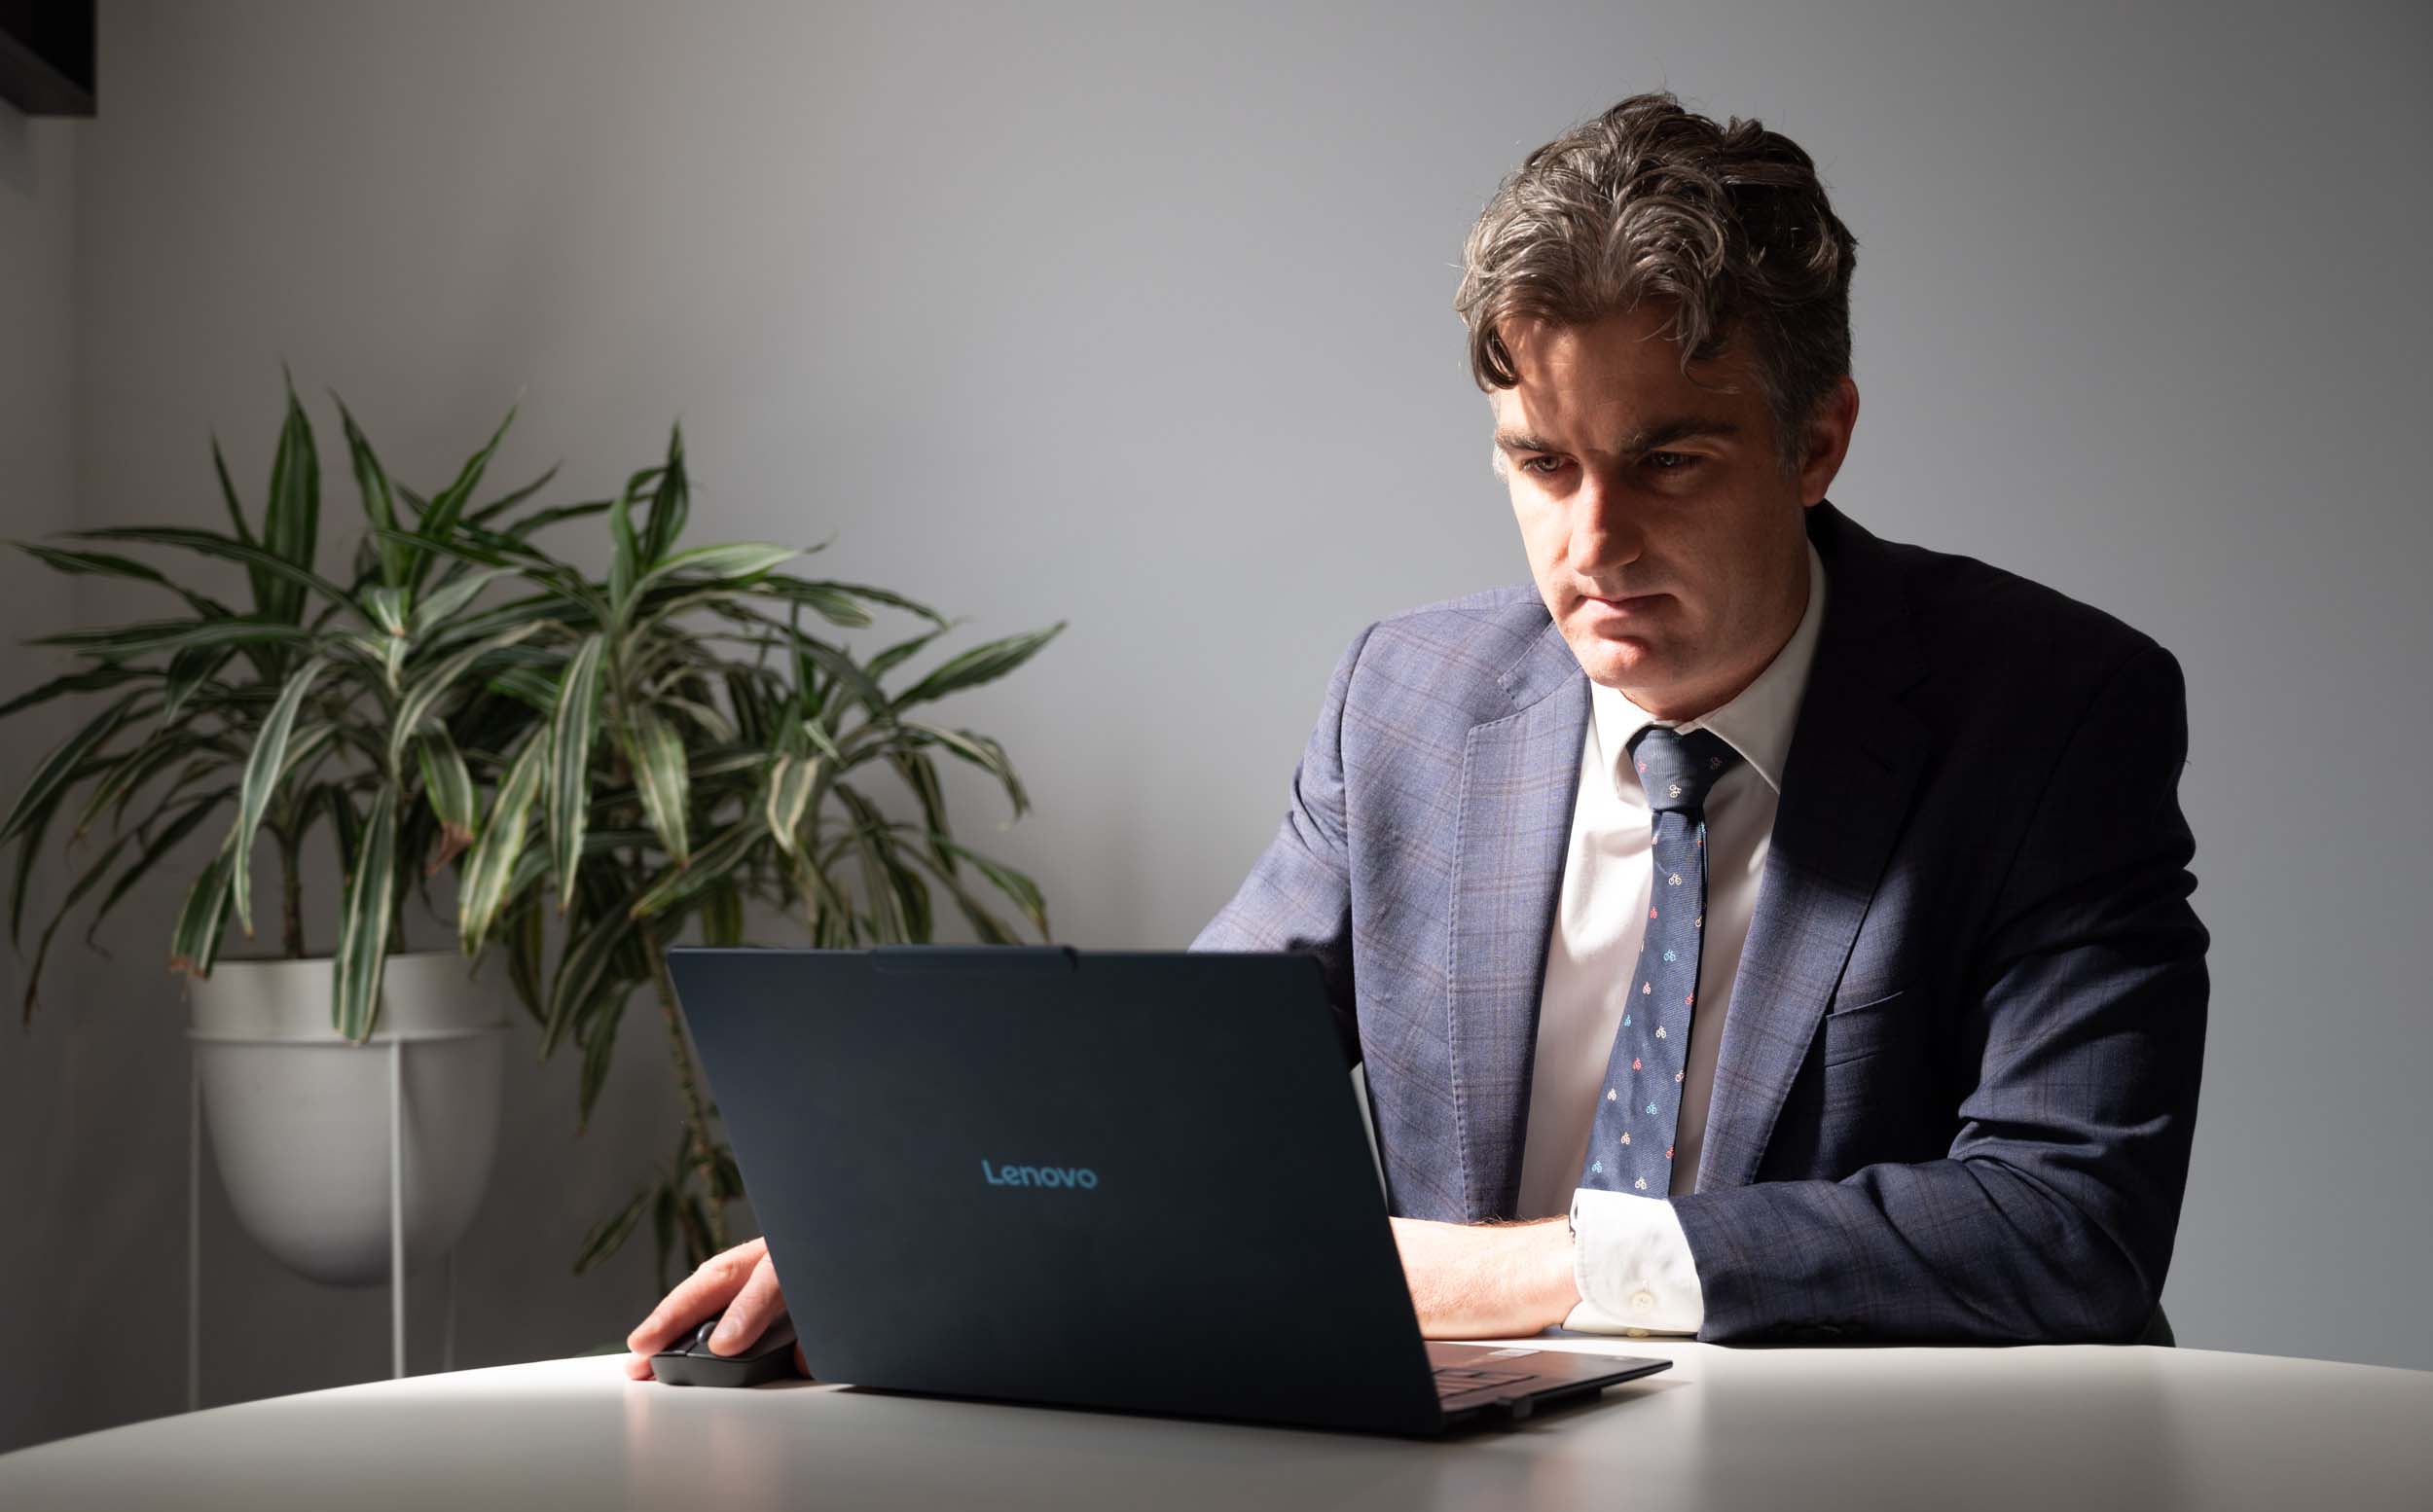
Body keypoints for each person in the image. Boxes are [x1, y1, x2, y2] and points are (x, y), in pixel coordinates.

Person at [624, 90, 2207, 1380]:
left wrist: (1532, 1273)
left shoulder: (2052, 717)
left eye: (1668, 463)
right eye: (1540, 462)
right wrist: (908, 1225)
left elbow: (2067, 1218)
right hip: (1453, 1500)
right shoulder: (1412, 705)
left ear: (1819, 441)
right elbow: (1178, 1087)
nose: (1591, 542)